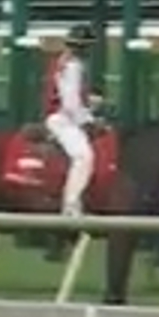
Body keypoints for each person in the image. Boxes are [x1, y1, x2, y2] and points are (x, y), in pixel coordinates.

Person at [43, 22, 103, 216]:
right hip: (63, 120)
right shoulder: (72, 66)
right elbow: (71, 104)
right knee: (84, 156)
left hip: (64, 116)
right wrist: (89, 121)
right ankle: (71, 205)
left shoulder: (66, 62)